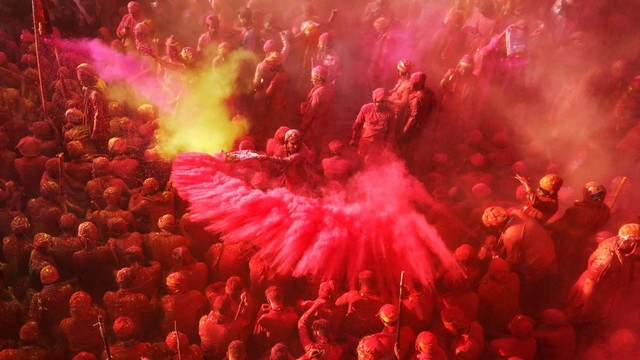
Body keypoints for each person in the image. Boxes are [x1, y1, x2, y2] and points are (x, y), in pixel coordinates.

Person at [565, 223, 640, 323]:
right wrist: (588, 305)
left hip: (605, 291)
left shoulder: (618, 241)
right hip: (591, 293)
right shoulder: (606, 260)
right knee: (578, 317)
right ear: (631, 243)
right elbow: (590, 282)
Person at [350, 88, 395, 163]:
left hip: (379, 143)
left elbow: (391, 130)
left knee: (374, 162)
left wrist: (389, 144)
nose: (383, 104)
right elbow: (357, 124)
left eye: (385, 102)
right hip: (365, 141)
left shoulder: (390, 112)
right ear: (374, 100)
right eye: (381, 101)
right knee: (362, 160)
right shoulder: (366, 108)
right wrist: (353, 139)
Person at [76, 64, 109, 154]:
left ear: (88, 77)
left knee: (101, 150)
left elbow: (98, 114)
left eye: (82, 80)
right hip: (96, 126)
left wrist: (95, 131)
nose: (80, 82)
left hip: (100, 129)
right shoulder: (89, 90)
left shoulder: (94, 94)